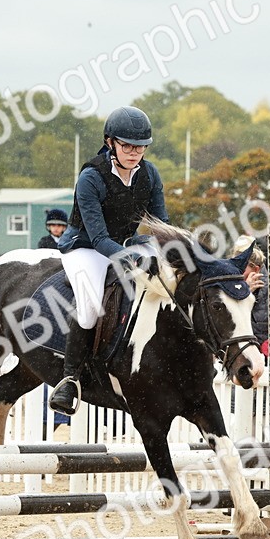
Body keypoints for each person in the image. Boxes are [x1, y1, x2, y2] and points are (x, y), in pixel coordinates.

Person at [48, 106, 168, 415]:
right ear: (110, 142)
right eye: (127, 145)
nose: (134, 152)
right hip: (85, 247)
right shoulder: (92, 177)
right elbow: (99, 238)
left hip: (126, 243)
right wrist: (132, 259)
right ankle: (70, 379)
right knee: (90, 307)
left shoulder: (150, 174)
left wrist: (169, 253)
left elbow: (160, 225)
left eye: (139, 146)